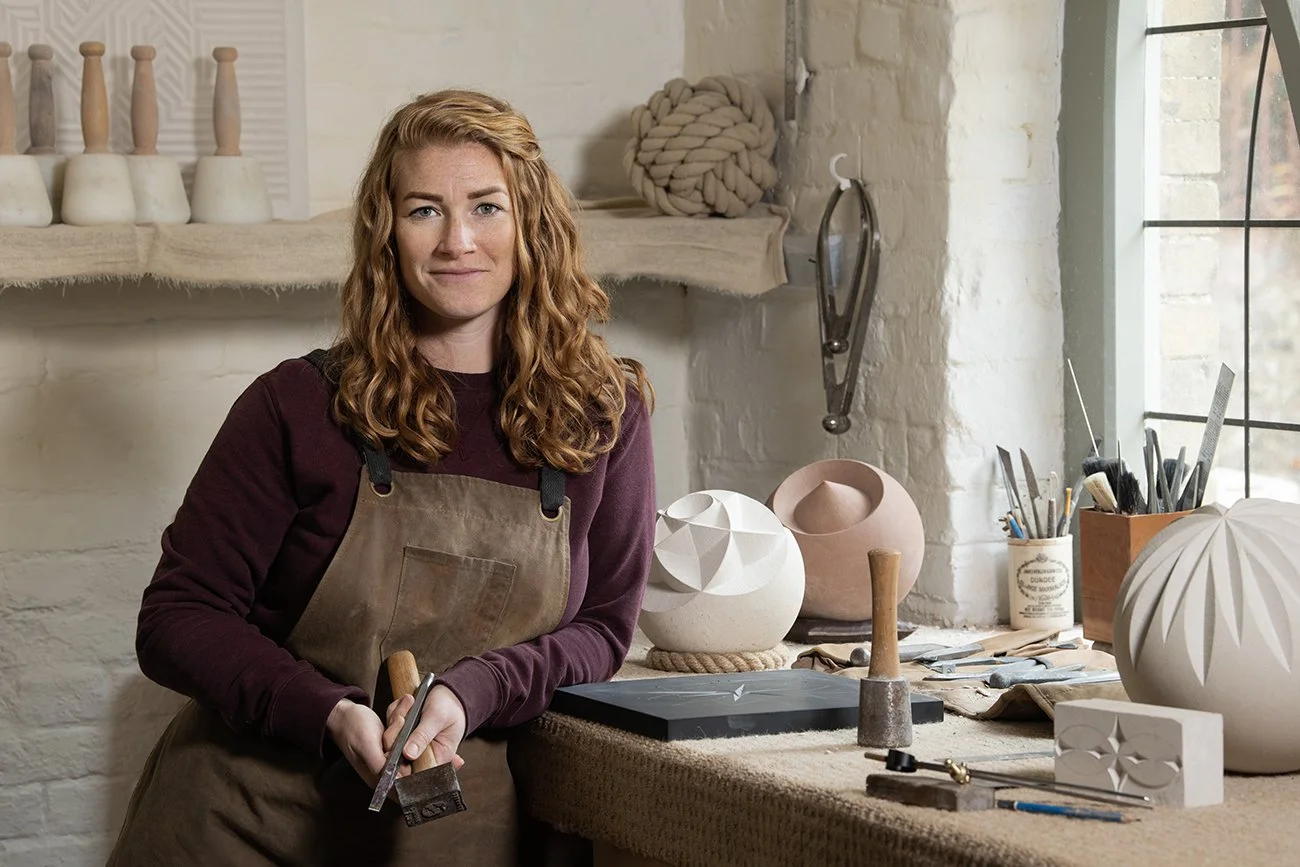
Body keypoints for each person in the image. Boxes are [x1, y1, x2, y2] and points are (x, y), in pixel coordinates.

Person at [107, 89, 656, 866]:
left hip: (445, 826)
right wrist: (329, 711)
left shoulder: (601, 415)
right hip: (241, 818)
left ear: (531, 222)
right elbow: (176, 617)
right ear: (386, 233)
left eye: (487, 207)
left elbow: (602, 629)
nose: (458, 241)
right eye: (424, 210)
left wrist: (473, 690)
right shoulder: (297, 405)